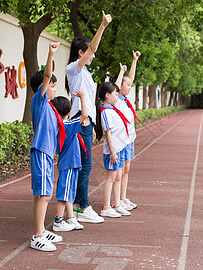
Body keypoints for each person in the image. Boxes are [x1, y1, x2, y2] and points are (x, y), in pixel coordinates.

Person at [65, 11, 112, 224]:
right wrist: (102, 26)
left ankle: (76, 205)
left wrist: (92, 124)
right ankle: (82, 206)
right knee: (84, 166)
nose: (93, 55)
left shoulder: (85, 73)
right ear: (81, 52)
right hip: (79, 121)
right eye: (90, 52)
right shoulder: (74, 68)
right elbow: (93, 48)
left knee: (83, 166)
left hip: (85, 122)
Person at [29, 42, 64, 252]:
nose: (54, 88)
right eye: (52, 85)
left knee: (41, 194)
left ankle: (41, 229)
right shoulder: (39, 101)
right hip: (41, 152)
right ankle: (38, 236)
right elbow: (47, 76)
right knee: (45, 195)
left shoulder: (50, 107)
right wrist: (51, 54)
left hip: (46, 155)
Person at [50, 88, 89, 232]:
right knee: (63, 194)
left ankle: (71, 218)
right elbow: (84, 114)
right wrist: (83, 97)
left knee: (68, 193)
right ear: (68, 111)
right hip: (69, 164)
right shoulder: (66, 126)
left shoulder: (62, 125)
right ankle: (58, 222)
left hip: (70, 164)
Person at [110, 51, 141, 211]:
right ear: (119, 86)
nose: (129, 87)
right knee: (119, 171)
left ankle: (123, 197)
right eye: (127, 85)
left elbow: (131, 78)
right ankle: (117, 201)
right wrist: (121, 72)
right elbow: (115, 85)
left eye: (129, 85)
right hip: (120, 140)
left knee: (126, 169)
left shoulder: (127, 98)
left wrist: (134, 61)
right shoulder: (116, 100)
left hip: (130, 138)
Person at [95, 82, 131, 218]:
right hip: (114, 151)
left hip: (120, 148)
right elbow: (108, 133)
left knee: (117, 176)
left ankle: (117, 204)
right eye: (115, 94)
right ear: (107, 95)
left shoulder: (112, 109)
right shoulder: (105, 112)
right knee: (110, 178)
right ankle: (106, 207)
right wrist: (112, 152)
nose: (117, 97)